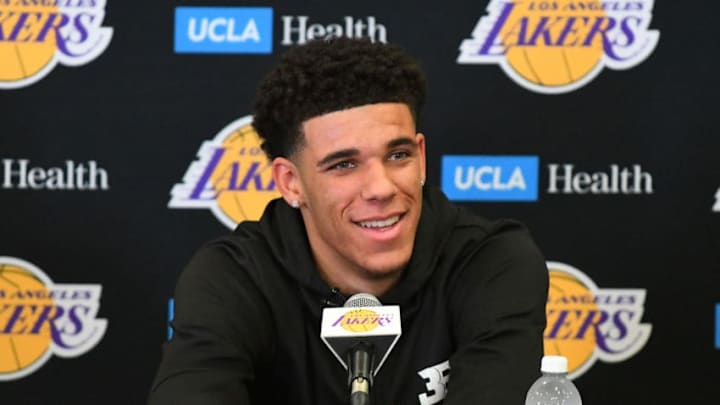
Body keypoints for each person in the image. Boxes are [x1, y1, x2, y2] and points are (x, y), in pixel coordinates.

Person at [149, 38, 548, 405]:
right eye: (344, 164)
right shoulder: (233, 278)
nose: (381, 187)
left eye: (398, 155)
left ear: (421, 158)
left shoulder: (491, 261)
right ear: (291, 183)